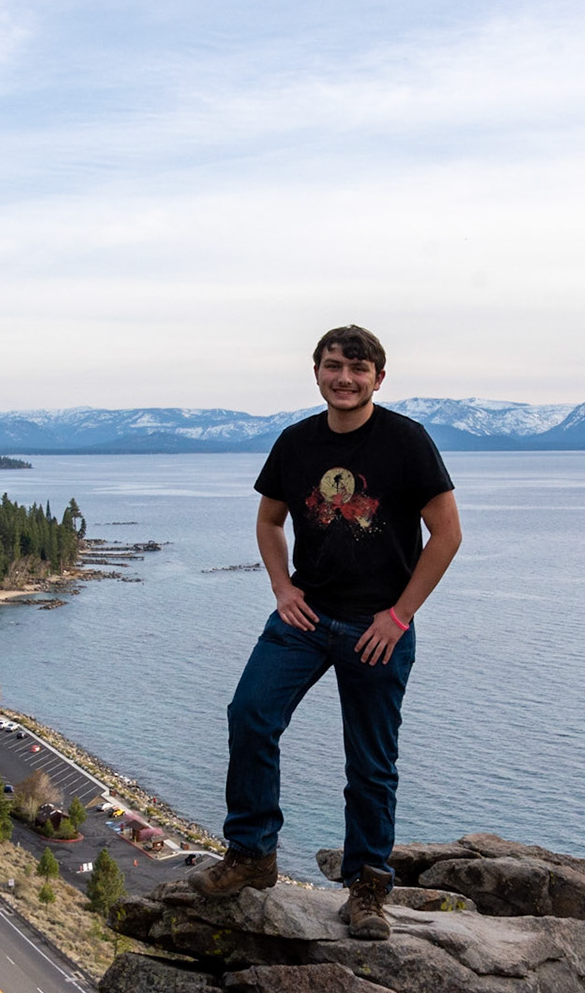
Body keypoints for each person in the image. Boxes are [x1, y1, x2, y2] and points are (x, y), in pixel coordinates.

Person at [189, 325, 462, 940]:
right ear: (316, 372)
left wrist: (399, 616)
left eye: (358, 369)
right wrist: (282, 588)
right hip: (306, 618)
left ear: (378, 379)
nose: (345, 378)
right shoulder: (296, 442)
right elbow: (269, 520)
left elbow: (447, 534)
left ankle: (367, 889)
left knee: (370, 763)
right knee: (251, 715)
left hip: (377, 627)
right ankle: (252, 854)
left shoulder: (406, 441)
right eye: (334, 366)